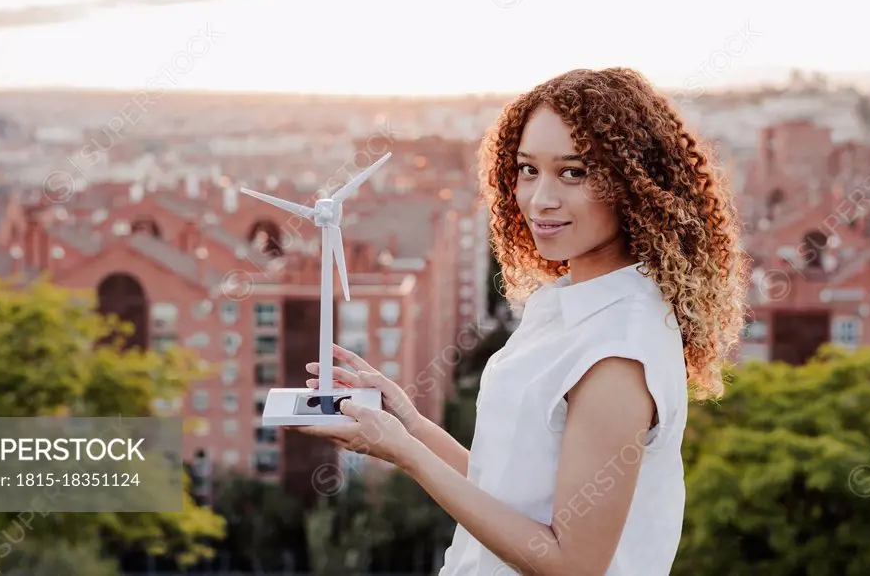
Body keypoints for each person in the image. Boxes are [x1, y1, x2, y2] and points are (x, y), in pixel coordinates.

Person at [290, 67, 749, 576]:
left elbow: (572, 565)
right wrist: (412, 427)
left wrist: (405, 455)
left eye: (574, 172)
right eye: (528, 169)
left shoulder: (618, 354)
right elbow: (508, 494)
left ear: (634, 184)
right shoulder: (569, 304)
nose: (539, 198)